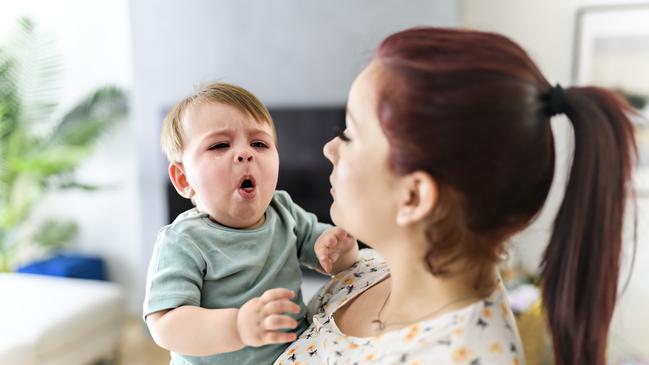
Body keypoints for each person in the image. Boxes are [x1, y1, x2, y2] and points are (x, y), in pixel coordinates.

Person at [275, 27, 637, 365]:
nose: (328, 148)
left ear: (414, 197)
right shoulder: (369, 270)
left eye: (349, 133)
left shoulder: (459, 355)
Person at [143, 82, 358, 365]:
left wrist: (341, 249)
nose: (246, 154)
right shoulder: (184, 240)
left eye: (259, 143)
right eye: (220, 145)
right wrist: (237, 326)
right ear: (184, 180)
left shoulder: (284, 211)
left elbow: (334, 262)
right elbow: (165, 326)